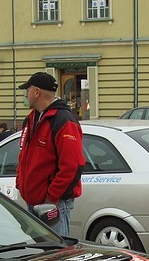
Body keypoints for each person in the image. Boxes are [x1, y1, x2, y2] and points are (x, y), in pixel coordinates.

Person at [16, 72, 85, 237]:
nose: (25, 94)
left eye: (27, 90)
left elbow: (72, 166)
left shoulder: (63, 120)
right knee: (39, 250)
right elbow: (23, 156)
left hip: (54, 206)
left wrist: (51, 198)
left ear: (37, 92)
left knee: (56, 251)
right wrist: (20, 182)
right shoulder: (32, 119)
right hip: (34, 202)